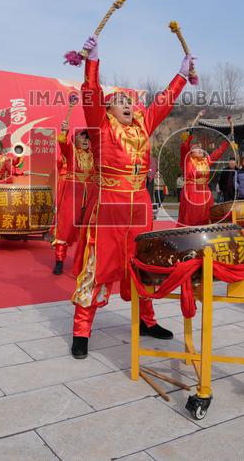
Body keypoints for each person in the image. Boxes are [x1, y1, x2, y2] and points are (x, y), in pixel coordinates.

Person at [69, 35, 190, 359]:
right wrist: (93, 62)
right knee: (98, 267)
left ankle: (146, 321)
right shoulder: (100, 128)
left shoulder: (142, 126)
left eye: (129, 101)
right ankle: (82, 328)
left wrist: (180, 75)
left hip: (139, 208)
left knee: (142, 263)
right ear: (107, 108)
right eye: (118, 100)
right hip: (109, 206)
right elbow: (91, 94)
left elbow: (163, 103)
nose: (126, 104)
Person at [52, 122, 93, 275]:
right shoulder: (71, 152)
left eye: (87, 138)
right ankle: (59, 260)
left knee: (89, 230)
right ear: (74, 139)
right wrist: (64, 131)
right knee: (65, 227)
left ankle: (86, 263)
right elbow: (62, 142)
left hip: (90, 195)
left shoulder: (95, 154)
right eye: (81, 136)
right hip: (72, 194)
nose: (84, 140)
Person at [177, 122, 231, 226]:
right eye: (196, 148)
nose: (200, 150)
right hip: (191, 190)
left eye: (201, 148)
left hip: (205, 191)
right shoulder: (187, 160)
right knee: (193, 215)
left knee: (206, 215)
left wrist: (226, 142)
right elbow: (184, 147)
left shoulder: (206, 161)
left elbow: (217, 153)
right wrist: (189, 135)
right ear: (191, 152)